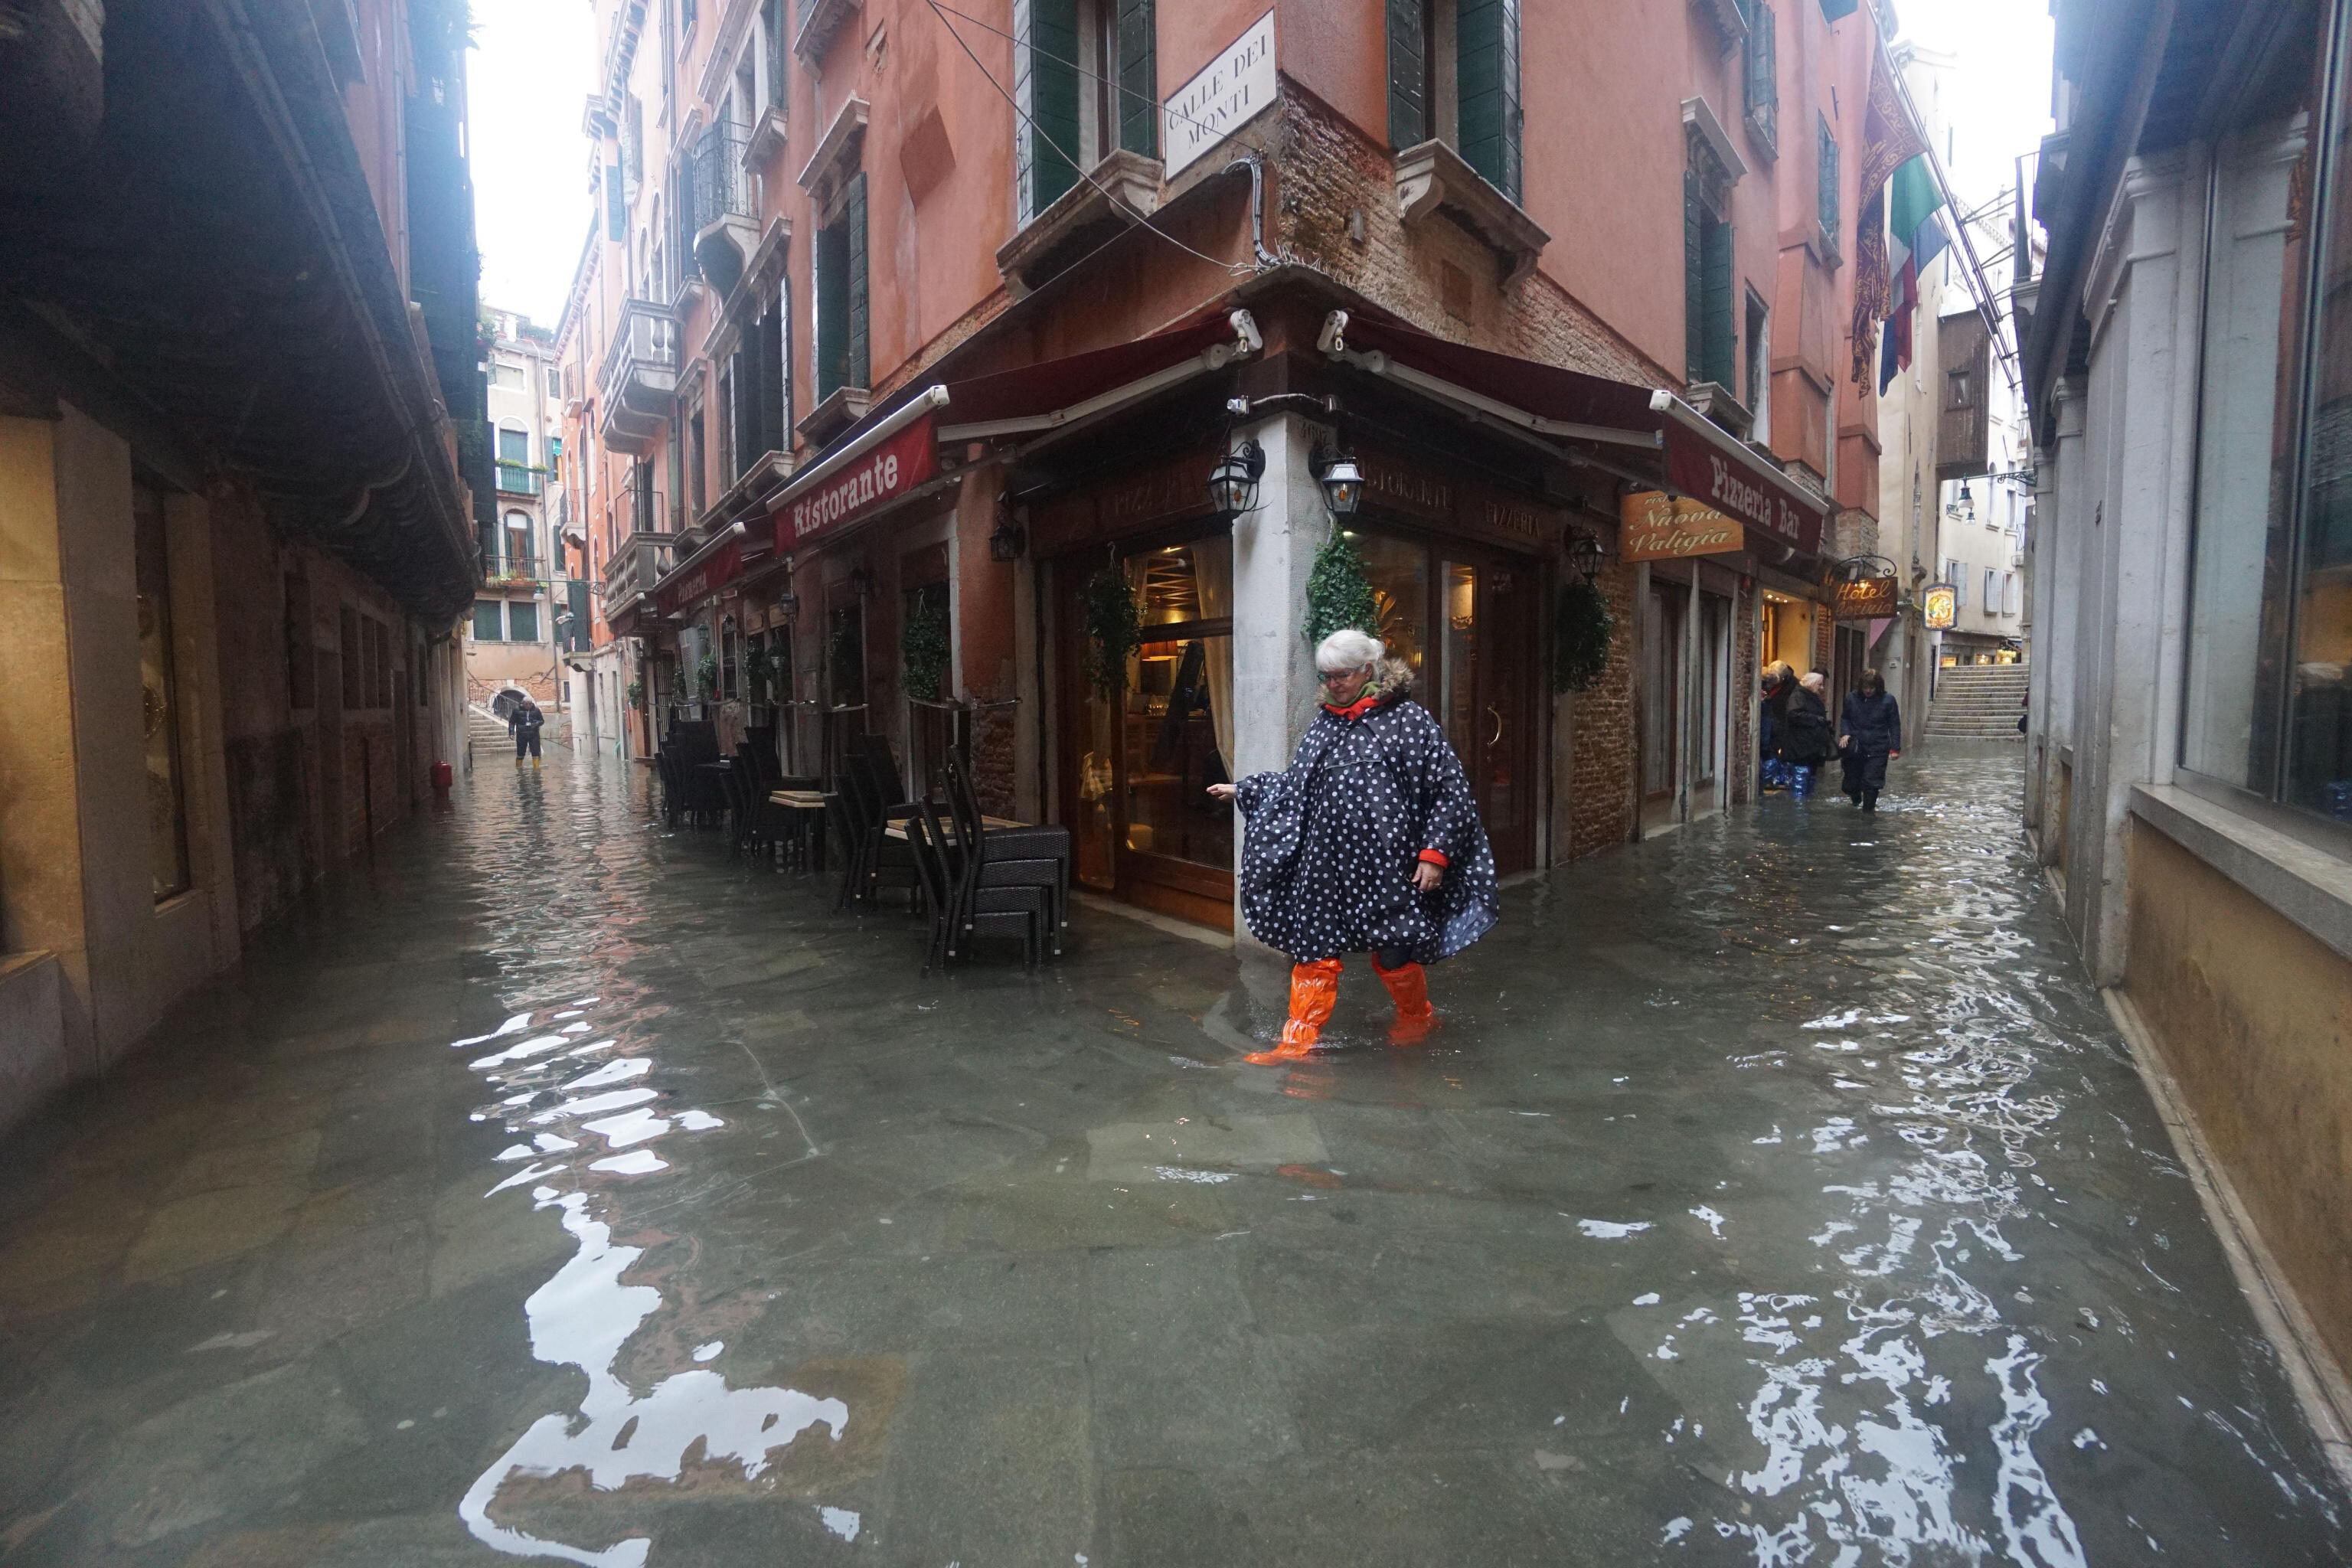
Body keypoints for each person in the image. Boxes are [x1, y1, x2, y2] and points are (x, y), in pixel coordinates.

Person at [1207, 629, 1499, 1063]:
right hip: (1325, 867)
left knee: (1395, 949)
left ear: (1367, 669)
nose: (1331, 685)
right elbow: (1295, 788)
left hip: (1390, 866)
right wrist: (1245, 789)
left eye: (1340, 675)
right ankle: (1296, 1043)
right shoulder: (1323, 725)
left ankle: (1417, 1016)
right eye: (1324, 677)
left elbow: (1447, 790)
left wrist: (1434, 856)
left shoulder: (1408, 721)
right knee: (1314, 951)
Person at [1838, 668, 1903, 810]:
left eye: (1871, 688)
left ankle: (1868, 812)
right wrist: (1845, 733)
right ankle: (1855, 800)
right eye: (1865, 687)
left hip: (1878, 747)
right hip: (1855, 746)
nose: (1868, 691)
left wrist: (1895, 748)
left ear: (1877, 687)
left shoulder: (1888, 700)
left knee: (1872, 782)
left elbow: (1894, 725)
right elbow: (1845, 718)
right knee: (1851, 783)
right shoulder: (1851, 698)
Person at [1779, 671, 1836, 799]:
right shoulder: (1798, 696)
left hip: (1811, 748)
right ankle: (1799, 807)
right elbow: (1793, 715)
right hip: (1801, 748)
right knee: (1801, 777)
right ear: (1812, 684)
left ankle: (1805, 803)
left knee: (1809, 778)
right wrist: (1816, 719)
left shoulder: (1809, 696)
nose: (1822, 688)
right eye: (1820, 685)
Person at [1759, 661, 1796, 791]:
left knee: (1773, 750)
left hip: (1780, 725)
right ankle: (1768, 779)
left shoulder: (1792, 688)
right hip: (1770, 723)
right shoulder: (1768, 682)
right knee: (1768, 749)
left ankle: (1770, 779)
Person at [510, 697, 544, 769]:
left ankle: (536, 770)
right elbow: (512, 722)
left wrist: (537, 723)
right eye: (527, 704)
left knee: (536, 753)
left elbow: (542, 721)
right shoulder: (516, 710)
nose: (528, 706)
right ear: (523, 703)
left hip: (534, 735)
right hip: (521, 735)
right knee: (520, 753)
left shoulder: (536, 710)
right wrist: (511, 733)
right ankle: (519, 769)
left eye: (530, 704)